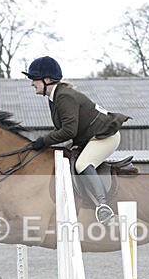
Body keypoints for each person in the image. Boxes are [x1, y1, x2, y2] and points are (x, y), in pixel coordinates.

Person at [22, 56, 130, 224]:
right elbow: (64, 130)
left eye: (34, 79)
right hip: (90, 138)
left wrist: (43, 142)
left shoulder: (64, 97)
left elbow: (68, 131)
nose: (32, 83)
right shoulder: (56, 97)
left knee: (82, 164)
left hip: (105, 137)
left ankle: (104, 208)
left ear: (47, 80)